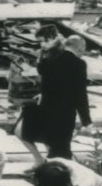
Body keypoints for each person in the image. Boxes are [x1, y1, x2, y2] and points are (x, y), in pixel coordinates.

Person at [34, 25, 92, 159]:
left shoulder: (48, 61)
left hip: (47, 110)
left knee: (54, 147)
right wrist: (86, 120)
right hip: (65, 113)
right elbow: (81, 94)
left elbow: (43, 81)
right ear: (80, 49)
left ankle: (53, 171)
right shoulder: (79, 64)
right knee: (62, 150)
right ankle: (59, 174)